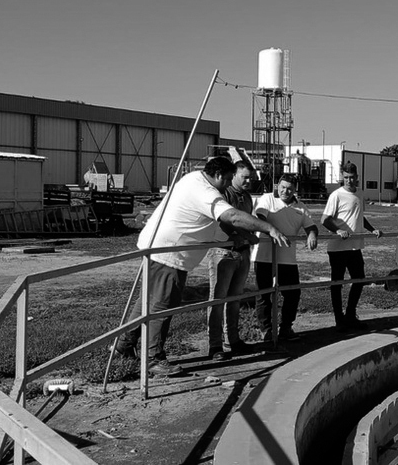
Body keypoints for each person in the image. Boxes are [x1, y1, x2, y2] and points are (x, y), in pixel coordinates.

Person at [114, 157, 289, 376]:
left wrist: (238, 236)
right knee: (162, 305)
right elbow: (231, 216)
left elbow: (211, 222)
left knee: (146, 303)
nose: (227, 184)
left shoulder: (192, 179)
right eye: (226, 179)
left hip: (160, 248)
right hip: (169, 253)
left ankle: (123, 346)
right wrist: (269, 229)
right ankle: (153, 358)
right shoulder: (205, 191)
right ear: (218, 175)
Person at [253, 174, 318, 342]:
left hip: (287, 258)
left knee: (292, 293)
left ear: (295, 189)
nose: (285, 191)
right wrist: (272, 231)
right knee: (264, 294)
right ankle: (266, 330)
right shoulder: (268, 199)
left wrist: (311, 235)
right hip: (264, 255)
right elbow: (260, 217)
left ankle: (286, 326)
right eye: (282, 187)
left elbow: (311, 226)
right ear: (277, 185)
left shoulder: (301, 207)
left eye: (289, 188)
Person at [321, 162, 381, 332]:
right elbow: (324, 219)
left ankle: (350, 315)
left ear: (357, 177)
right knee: (337, 283)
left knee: (359, 279)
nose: (349, 180)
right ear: (342, 177)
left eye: (352, 177)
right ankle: (339, 319)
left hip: (355, 247)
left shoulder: (360, 194)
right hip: (338, 248)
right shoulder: (336, 195)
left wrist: (372, 229)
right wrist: (338, 230)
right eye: (346, 177)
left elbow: (360, 217)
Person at [208, 160, 258, 361]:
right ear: (234, 175)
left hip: (243, 252)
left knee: (235, 298)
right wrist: (239, 233)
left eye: (251, 178)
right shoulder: (224, 194)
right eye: (244, 177)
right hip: (223, 252)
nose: (248, 181)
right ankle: (215, 345)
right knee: (218, 299)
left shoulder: (246, 197)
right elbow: (221, 220)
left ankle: (233, 339)